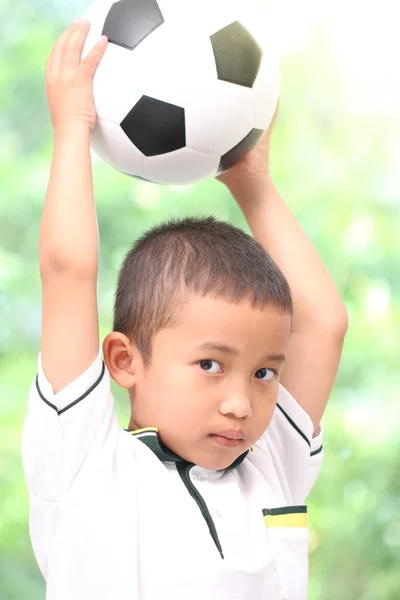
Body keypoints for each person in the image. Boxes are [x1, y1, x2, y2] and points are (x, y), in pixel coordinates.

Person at [22, 20, 348, 600]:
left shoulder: (272, 464)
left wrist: (253, 182)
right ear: (124, 360)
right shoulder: (85, 464)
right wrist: (72, 129)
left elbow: (323, 325)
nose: (240, 402)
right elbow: (69, 273)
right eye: (210, 365)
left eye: (264, 372)